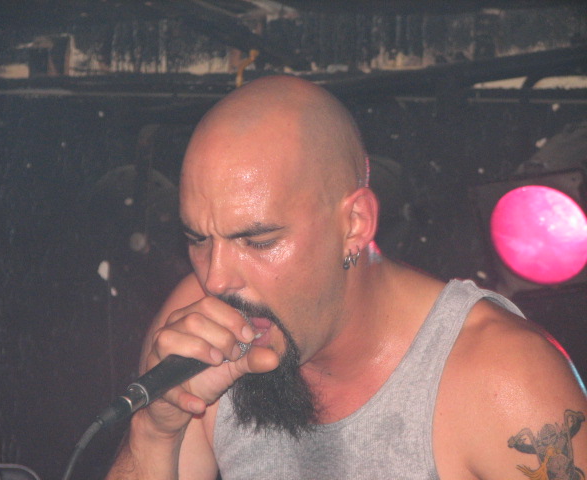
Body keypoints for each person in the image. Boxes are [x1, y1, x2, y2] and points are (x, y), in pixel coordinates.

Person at [106, 75, 586, 479]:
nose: (216, 279)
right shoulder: (198, 323)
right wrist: (153, 433)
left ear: (354, 224)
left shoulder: (504, 378)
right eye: (199, 239)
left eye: (258, 241)